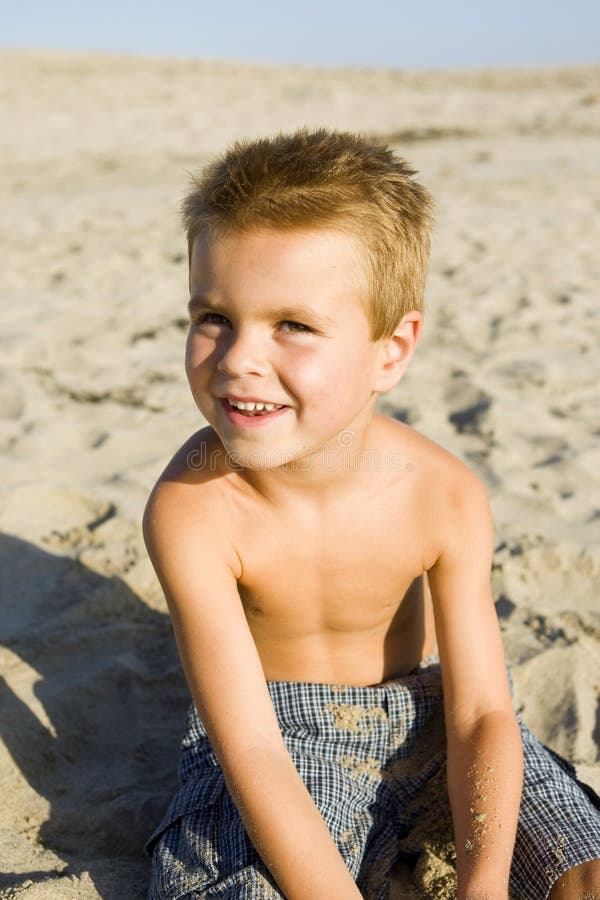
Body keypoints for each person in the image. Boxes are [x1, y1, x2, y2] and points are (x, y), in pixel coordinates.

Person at [143, 129, 600, 899]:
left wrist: (483, 883)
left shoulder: (440, 492)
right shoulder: (193, 508)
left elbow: (483, 710)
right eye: (214, 316)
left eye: (292, 324)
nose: (237, 359)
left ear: (392, 350)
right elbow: (250, 747)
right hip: (278, 742)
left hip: (430, 720)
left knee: (583, 863)